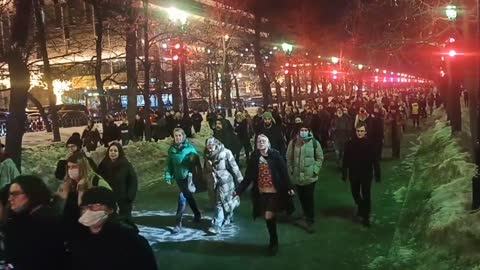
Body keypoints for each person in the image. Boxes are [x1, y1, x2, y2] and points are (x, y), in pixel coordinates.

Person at [235, 135, 295, 256]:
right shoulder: (255, 158)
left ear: (268, 143)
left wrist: (289, 187)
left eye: (263, 141)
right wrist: (238, 190)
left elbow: (284, 172)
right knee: (268, 216)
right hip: (262, 192)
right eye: (259, 141)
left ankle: (273, 242)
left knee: (268, 215)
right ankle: (273, 239)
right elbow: (248, 177)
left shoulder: (275, 156)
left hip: (275, 191)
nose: (261, 143)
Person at [70, 187, 157, 270]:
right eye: (85, 207)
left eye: (97, 205)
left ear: (111, 209)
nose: (89, 210)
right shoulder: (77, 240)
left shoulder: (131, 241)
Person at [4, 175, 67, 270]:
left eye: (15, 194)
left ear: (31, 194)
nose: (10, 199)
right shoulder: (18, 219)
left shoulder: (48, 221)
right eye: (10, 194)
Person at [57, 152, 111, 244]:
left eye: (74, 167)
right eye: (69, 167)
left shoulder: (97, 182)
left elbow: (110, 205)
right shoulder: (68, 184)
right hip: (71, 232)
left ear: (83, 167)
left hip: (92, 232)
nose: (71, 170)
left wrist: (81, 190)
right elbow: (60, 208)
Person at [287, 125, 323, 233]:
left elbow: (320, 157)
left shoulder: (314, 143)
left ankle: (310, 219)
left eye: (305, 130)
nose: (303, 132)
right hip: (297, 177)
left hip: (310, 177)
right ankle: (305, 214)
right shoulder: (293, 143)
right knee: (301, 197)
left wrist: (315, 170)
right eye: (301, 130)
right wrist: (291, 171)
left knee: (309, 198)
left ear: (309, 131)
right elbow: (289, 158)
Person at [342, 125, 381, 227]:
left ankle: (366, 217)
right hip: (354, 173)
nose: (360, 133)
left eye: (362, 131)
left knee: (366, 194)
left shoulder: (370, 144)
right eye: (358, 131)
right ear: (355, 132)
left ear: (365, 132)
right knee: (355, 193)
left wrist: (377, 174)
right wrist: (344, 172)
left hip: (366, 174)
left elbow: (375, 160)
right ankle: (361, 206)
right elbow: (345, 159)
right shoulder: (350, 144)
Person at [166, 128, 203, 233]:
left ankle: (178, 224)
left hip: (188, 178)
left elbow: (197, 164)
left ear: (183, 136)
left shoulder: (190, 149)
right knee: (189, 197)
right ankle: (197, 214)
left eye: (179, 135)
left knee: (182, 199)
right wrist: (168, 175)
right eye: (176, 135)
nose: (177, 137)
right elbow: (169, 164)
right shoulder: (172, 150)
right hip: (179, 178)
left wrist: (196, 174)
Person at [203, 138, 243, 234]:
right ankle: (229, 216)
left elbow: (234, 166)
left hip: (225, 181)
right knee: (222, 202)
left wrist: (241, 180)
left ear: (216, 145)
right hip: (212, 181)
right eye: (208, 147)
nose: (210, 149)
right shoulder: (207, 155)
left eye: (211, 147)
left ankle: (217, 225)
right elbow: (205, 169)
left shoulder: (225, 153)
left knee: (220, 203)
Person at [98, 142, 138, 219]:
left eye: (115, 151)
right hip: (107, 200)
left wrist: (129, 197)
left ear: (119, 152)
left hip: (123, 201)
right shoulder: (103, 165)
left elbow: (133, 182)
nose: (113, 152)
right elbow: (98, 180)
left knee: (125, 223)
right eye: (111, 150)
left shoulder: (126, 165)